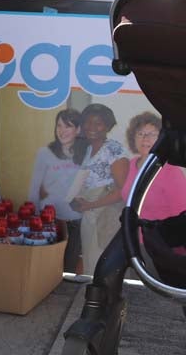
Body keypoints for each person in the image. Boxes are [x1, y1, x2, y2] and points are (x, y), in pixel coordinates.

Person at [70, 104, 129, 275]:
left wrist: (91, 204)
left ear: (108, 126)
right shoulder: (88, 148)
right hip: (90, 215)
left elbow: (122, 191)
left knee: (103, 264)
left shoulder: (114, 150)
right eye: (88, 122)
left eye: (98, 123)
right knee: (89, 261)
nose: (92, 127)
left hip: (106, 217)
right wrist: (77, 200)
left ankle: (105, 300)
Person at [27, 109, 87, 273]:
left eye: (68, 126)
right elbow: (34, 188)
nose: (62, 131)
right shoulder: (44, 153)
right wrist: (33, 217)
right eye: (59, 126)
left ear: (78, 130)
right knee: (48, 267)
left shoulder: (86, 154)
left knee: (69, 266)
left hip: (76, 220)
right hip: (50, 220)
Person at [120, 112, 186, 222]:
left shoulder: (172, 171)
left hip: (159, 236)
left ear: (161, 140)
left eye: (152, 134)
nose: (145, 138)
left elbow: (181, 213)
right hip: (132, 234)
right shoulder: (129, 165)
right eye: (140, 134)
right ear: (133, 138)